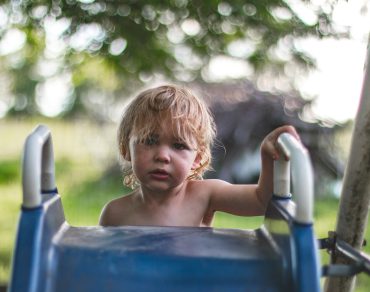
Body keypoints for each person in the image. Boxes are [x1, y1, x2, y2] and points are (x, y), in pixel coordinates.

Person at [99, 84, 299, 227]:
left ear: (197, 159)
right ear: (126, 149)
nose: (162, 156)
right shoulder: (115, 214)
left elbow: (261, 201)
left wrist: (268, 157)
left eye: (178, 145)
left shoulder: (204, 196)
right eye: (150, 141)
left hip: (192, 286)